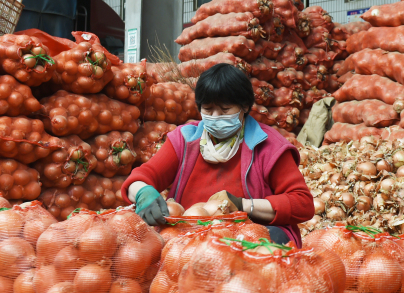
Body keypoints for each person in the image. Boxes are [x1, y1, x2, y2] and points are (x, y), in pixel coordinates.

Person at [121, 63, 313, 246]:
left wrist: (243, 205)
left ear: (244, 107)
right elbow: (139, 178)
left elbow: (302, 204)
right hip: (188, 236)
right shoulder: (185, 139)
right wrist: (143, 193)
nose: (215, 117)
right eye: (208, 109)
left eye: (225, 110)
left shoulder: (268, 145)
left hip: (247, 237)